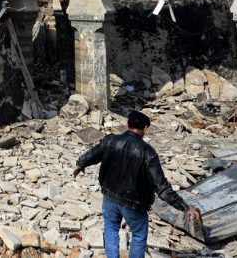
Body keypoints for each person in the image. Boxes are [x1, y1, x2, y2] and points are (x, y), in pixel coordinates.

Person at [73, 110, 201, 258]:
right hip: (134, 204)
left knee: (111, 228)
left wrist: (80, 164)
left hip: (109, 196)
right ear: (145, 128)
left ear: (127, 124)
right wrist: (184, 207)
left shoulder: (111, 140)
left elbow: (94, 153)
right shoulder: (148, 152)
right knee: (139, 235)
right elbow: (161, 187)